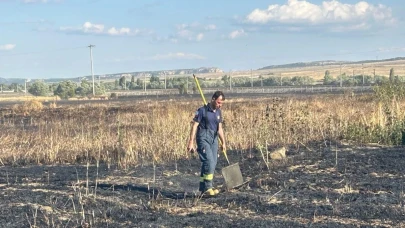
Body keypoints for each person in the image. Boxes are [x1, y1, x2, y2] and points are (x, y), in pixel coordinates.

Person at [187, 91, 226, 196]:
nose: (220, 105)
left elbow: (220, 128)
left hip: (214, 139)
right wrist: (191, 142)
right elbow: (194, 126)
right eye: (218, 102)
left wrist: (224, 142)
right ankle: (208, 188)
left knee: (212, 163)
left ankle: (204, 187)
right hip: (203, 137)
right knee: (209, 161)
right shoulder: (202, 111)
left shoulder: (218, 112)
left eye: (221, 103)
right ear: (213, 99)